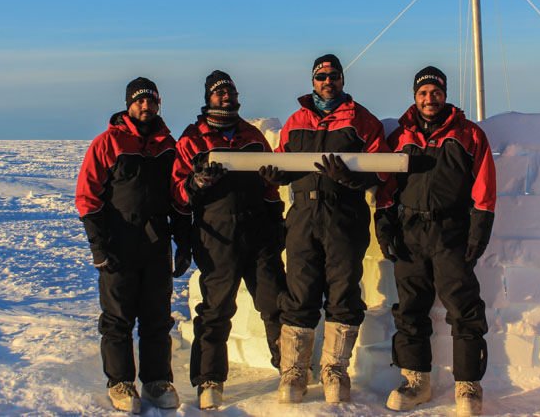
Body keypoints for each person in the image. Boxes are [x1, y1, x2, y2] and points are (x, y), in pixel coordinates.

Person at [267, 54, 392, 404]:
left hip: (344, 216)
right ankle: (294, 371)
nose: (328, 81)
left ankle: (335, 369)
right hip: (303, 216)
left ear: (342, 79)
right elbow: (283, 158)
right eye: (321, 76)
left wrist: (352, 179)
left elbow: (382, 169)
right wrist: (277, 174)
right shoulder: (297, 121)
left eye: (334, 76)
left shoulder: (361, 120)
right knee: (299, 292)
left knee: (343, 292)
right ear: (313, 81)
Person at [374, 66, 496, 416]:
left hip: (451, 231)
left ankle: (468, 385)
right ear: (415, 96)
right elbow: (386, 185)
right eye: (423, 93)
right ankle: (416, 381)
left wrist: (479, 231)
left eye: (436, 92)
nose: (430, 99)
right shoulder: (400, 136)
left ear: (445, 94)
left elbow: (484, 186)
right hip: (410, 231)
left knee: (464, 308)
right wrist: (385, 226)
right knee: (410, 308)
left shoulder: (469, 134)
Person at [171, 70, 286, 410]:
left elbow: (270, 185)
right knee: (216, 309)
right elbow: (176, 193)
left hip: (258, 232)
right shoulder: (193, 139)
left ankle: (290, 367)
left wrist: (275, 211)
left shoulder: (252, 135)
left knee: (274, 301)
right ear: (208, 98)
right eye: (219, 92)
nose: (226, 97)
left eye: (230, 92)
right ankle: (209, 380)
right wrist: (196, 183)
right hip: (216, 235)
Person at [75, 77, 191, 414]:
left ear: (159, 104)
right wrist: (98, 246)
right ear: (129, 104)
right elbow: (87, 196)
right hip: (119, 242)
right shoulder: (108, 143)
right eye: (139, 101)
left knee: (157, 317)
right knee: (118, 318)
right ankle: (120, 381)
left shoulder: (168, 145)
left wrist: (183, 241)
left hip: (156, 242)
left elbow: (178, 198)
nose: (146, 106)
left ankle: (156, 381)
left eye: (151, 100)